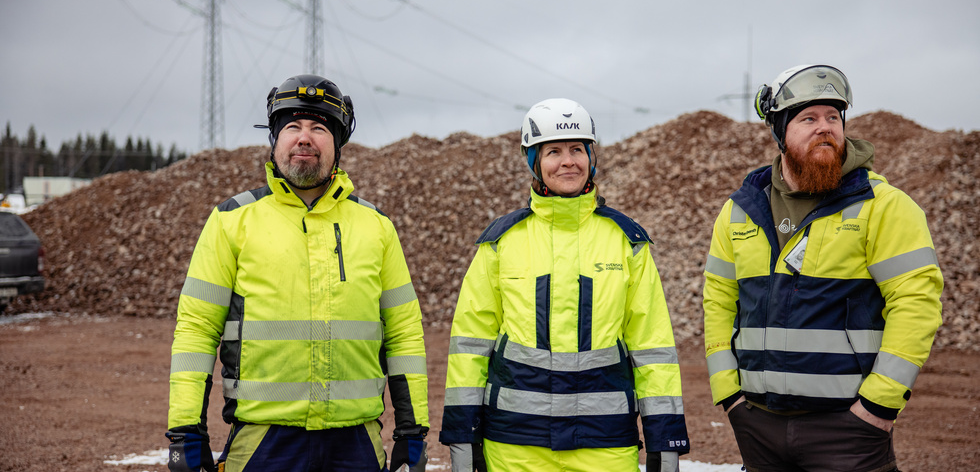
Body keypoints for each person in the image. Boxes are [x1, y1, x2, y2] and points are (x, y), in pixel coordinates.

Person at [166, 75, 429, 472]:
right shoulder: (231, 221)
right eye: (292, 126)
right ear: (274, 140)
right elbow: (196, 328)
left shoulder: (376, 227)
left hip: (356, 443)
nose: (304, 137)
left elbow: (404, 333)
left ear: (337, 145)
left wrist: (413, 432)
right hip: (263, 443)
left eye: (319, 128)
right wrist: (186, 428)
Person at [702, 64, 944, 472]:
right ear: (779, 132)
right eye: (808, 118)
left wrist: (878, 406)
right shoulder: (739, 211)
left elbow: (915, 304)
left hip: (848, 430)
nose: (825, 127)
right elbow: (719, 301)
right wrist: (730, 396)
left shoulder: (882, 206)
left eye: (834, 117)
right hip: (757, 425)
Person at [440, 98, 690, 472]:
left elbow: (652, 347)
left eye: (577, 149)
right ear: (534, 163)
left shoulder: (627, 242)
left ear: (592, 156)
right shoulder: (500, 243)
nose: (568, 161)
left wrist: (664, 436)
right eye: (553, 151)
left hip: (604, 444)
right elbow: (470, 346)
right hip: (514, 445)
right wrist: (462, 431)